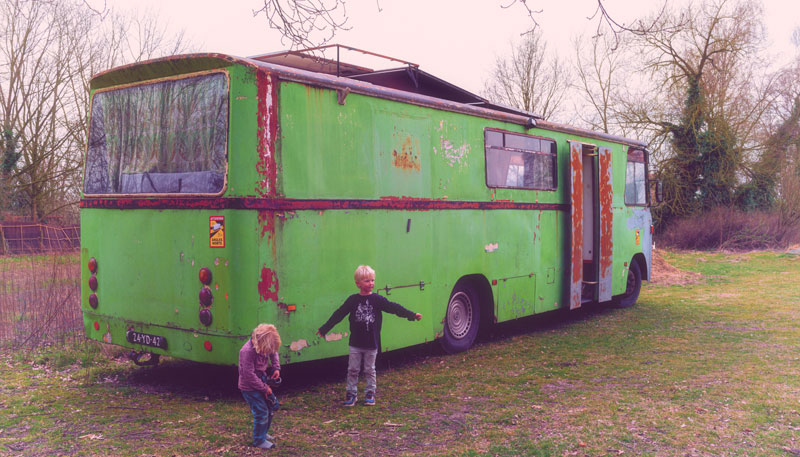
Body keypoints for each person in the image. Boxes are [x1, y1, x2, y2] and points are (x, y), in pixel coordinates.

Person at [317, 265, 422, 407]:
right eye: (367, 281)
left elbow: (394, 308)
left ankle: (370, 393)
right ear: (358, 283)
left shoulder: (377, 299)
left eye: (372, 280)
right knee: (353, 369)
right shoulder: (352, 300)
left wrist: (412, 315)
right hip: (355, 343)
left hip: (372, 343)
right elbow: (339, 314)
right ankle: (351, 393)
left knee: (369, 369)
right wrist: (325, 328)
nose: (371, 283)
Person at [238, 323, 282, 450]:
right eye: (266, 350)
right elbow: (248, 375)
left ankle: (263, 433)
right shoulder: (247, 352)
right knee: (261, 412)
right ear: (260, 344)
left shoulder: (266, 345)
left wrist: (276, 367)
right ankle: (258, 440)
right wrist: (264, 388)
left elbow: (274, 352)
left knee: (270, 408)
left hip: (261, 380)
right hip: (249, 387)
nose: (268, 353)